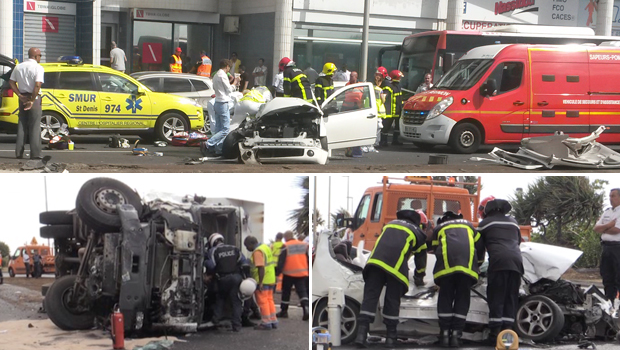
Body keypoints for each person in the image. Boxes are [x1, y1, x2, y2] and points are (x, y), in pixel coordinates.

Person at [355, 209, 427, 348]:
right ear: (421, 224)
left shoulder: (390, 225)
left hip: (374, 264)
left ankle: (361, 335)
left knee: (370, 298)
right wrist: (419, 278)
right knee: (392, 300)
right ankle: (390, 338)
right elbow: (421, 261)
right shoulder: (418, 233)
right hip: (396, 267)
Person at [432, 211, 483, 348]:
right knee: (462, 299)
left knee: (445, 298)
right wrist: (478, 264)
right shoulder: (470, 226)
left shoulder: (439, 228)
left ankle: (444, 336)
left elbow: (434, 248)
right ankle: (456, 336)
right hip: (467, 270)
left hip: (446, 270)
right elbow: (480, 246)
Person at [477, 197, 524, 342]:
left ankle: (494, 334)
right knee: (510, 297)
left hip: (498, 263)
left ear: (487, 211)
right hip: (517, 263)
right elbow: (517, 241)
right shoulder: (514, 223)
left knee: (496, 297)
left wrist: (478, 266)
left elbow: (479, 249)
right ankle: (507, 334)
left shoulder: (484, 224)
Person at [204, 233, 244, 332]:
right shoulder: (234, 248)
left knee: (220, 299)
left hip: (223, 279)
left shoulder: (213, 250)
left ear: (213, 242)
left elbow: (212, 266)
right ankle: (237, 326)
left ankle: (215, 321)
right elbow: (244, 262)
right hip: (237, 278)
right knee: (236, 302)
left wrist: (204, 261)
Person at [9, 47, 44, 160]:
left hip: (23, 97)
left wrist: (19, 95)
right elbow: (37, 84)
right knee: (34, 126)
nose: (40, 58)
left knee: (22, 125)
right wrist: (32, 100)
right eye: (40, 56)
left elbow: (11, 82)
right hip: (34, 97)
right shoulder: (38, 68)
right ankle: (35, 154)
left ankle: (19, 153)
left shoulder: (18, 67)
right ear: (35, 56)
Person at [204, 59, 238, 157]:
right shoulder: (222, 75)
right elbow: (228, 90)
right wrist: (235, 83)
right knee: (225, 129)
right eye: (229, 68)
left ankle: (217, 148)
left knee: (219, 128)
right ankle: (208, 143)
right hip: (223, 103)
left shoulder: (215, 75)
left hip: (217, 102)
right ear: (227, 66)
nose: (229, 70)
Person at [244, 235, 278, 330]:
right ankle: (273, 320)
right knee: (269, 300)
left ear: (251, 244)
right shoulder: (265, 247)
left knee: (262, 302)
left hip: (263, 280)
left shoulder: (258, 251)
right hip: (271, 278)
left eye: (247, 246)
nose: (247, 249)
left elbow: (260, 267)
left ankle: (266, 323)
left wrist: (261, 282)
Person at [594, 188, 620, 305]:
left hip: (617, 248)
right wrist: (609, 225)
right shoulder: (607, 212)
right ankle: (609, 303)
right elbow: (596, 228)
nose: (610, 198)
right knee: (607, 276)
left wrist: (603, 229)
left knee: (618, 277)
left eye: (613, 196)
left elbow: (617, 230)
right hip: (606, 248)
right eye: (610, 196)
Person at [275, 230, 309, 320]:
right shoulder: (303, 245)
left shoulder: (285, 246)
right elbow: (307, 258)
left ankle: (284, 311)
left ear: (286, 237)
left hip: (289, 273)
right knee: (302, 292)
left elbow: (281, 261)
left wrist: (277, 273)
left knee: (286, 292)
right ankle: (306, 309)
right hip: (302, 273)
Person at [379, 70, 404, 147]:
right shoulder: (389, 86)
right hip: (390, 111)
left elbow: (399, 98)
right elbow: (385, 98)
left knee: (397, 127)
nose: (400, 79)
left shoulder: (398, 86)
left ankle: (395, 140)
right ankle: (383, 141)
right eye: (399, 77)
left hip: (397, 111)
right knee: (386, 127)